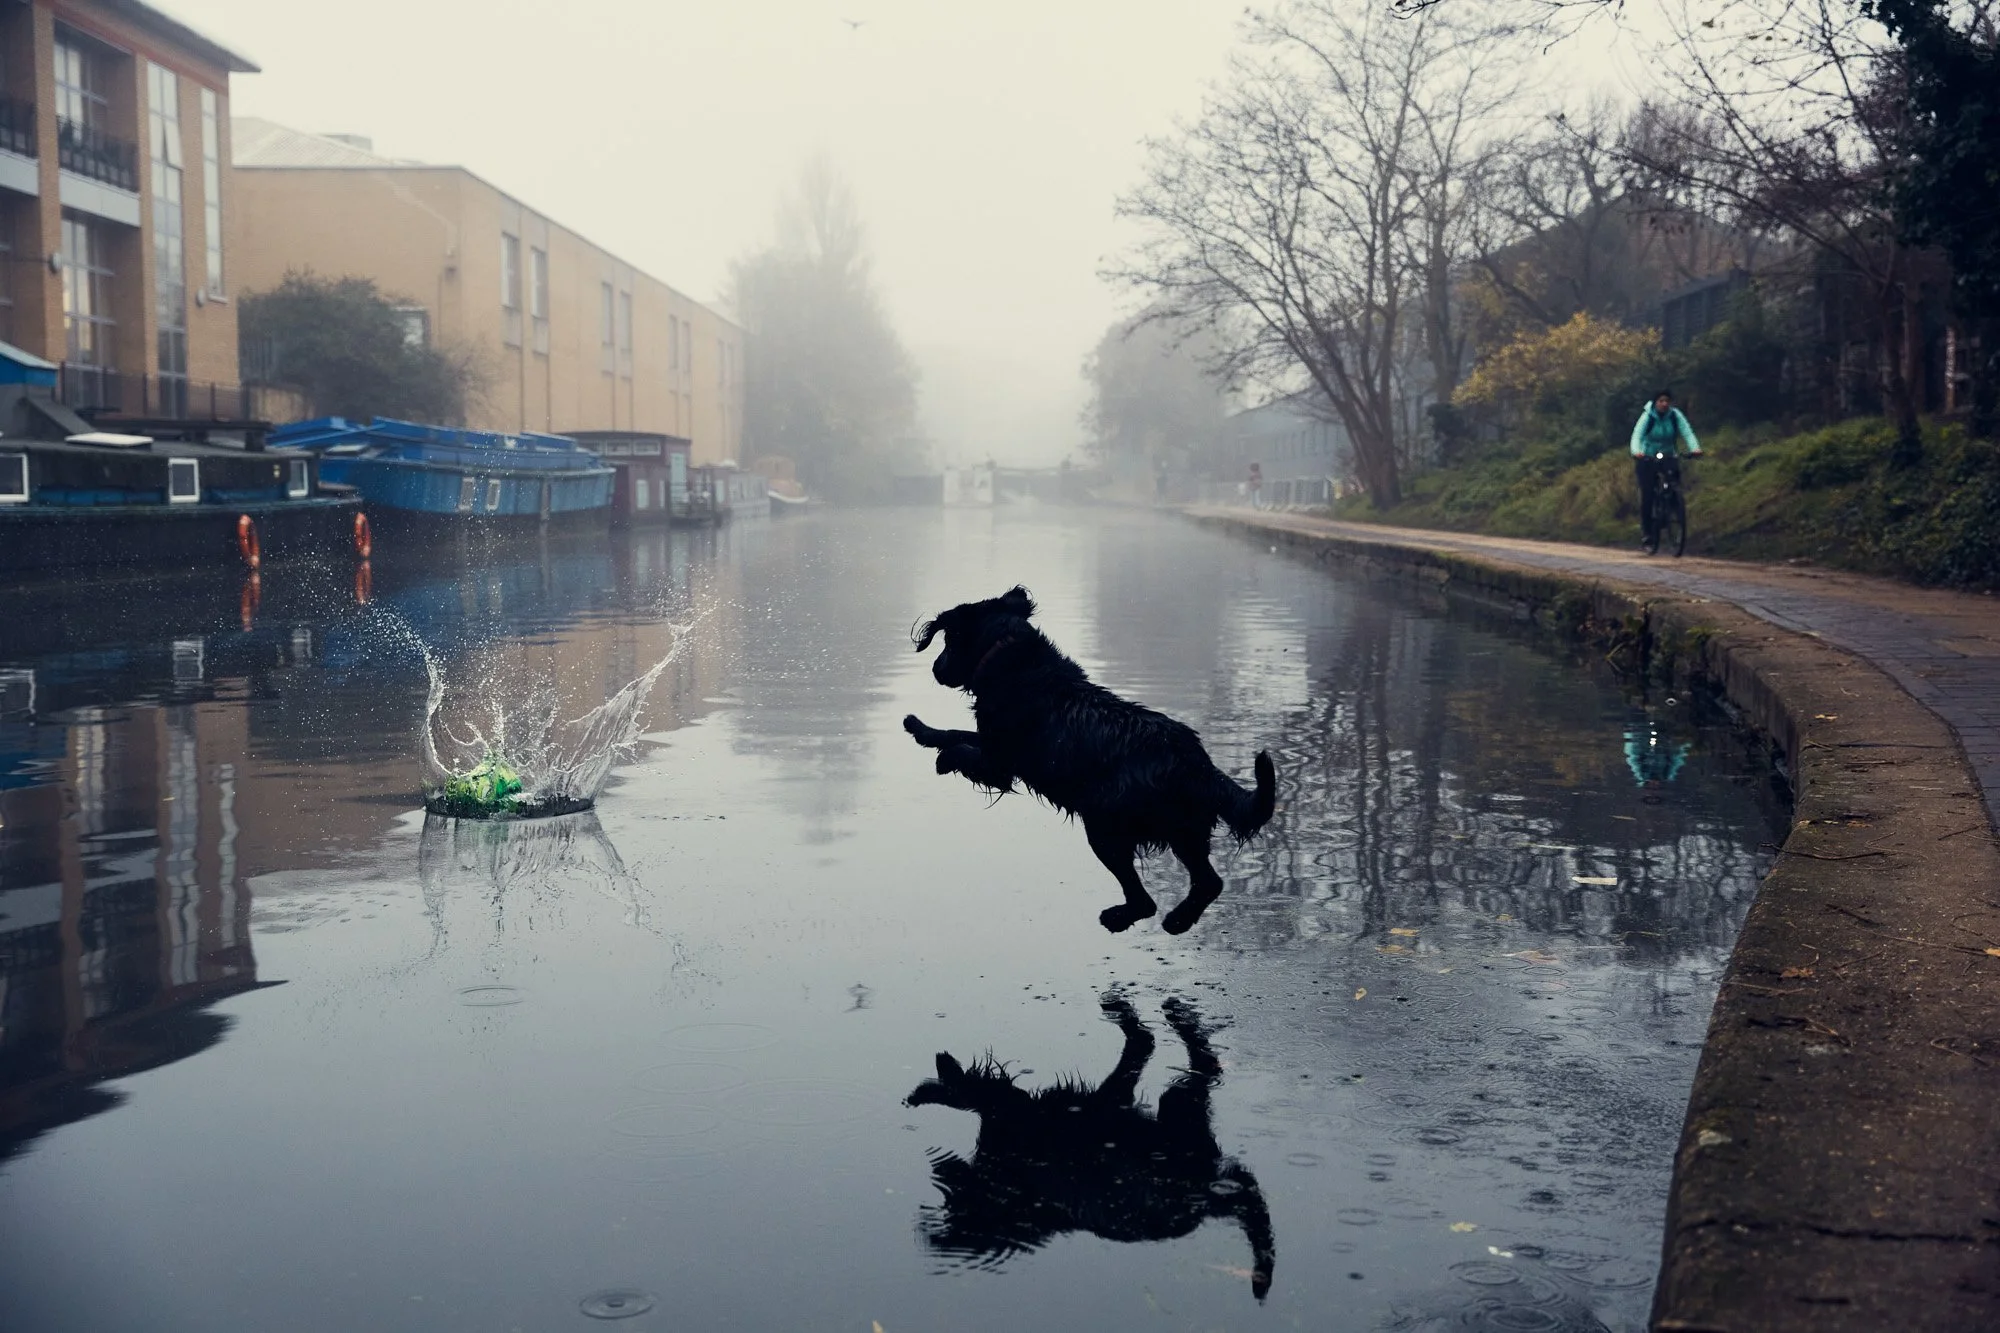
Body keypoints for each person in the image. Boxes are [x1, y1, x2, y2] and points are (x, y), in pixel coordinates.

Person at [1629, 390, 1701, 548]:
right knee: (1647, 494)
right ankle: (1647, 532)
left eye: (1667, 401)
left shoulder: (1675, 416)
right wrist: (1637, 452)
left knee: (1674, 482)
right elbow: (1637, 436)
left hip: (1668, 454)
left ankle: (1675, 511)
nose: (1664, 404)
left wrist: (1695, 448)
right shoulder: (1647, 417)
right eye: (1661, 401)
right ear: (1655, 403)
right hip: (1647, 457)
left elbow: (1687, 432)